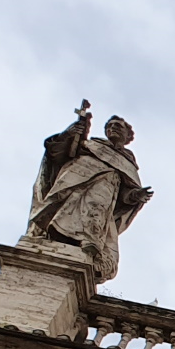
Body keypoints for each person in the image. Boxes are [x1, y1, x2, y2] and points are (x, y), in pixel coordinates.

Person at [26, 100, 152, 281]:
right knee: (68, 210)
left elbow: (123, 198)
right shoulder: (91, 145)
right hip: (75, 181)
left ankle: (88, 244)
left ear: (128, 136)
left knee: (95, 214)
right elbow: (58, 153)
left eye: (118, 126)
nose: (113, 128)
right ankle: (57, 236)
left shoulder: (128, 163)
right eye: (110, 125)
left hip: (104, 193)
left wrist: (134, 196)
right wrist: (70, 133)